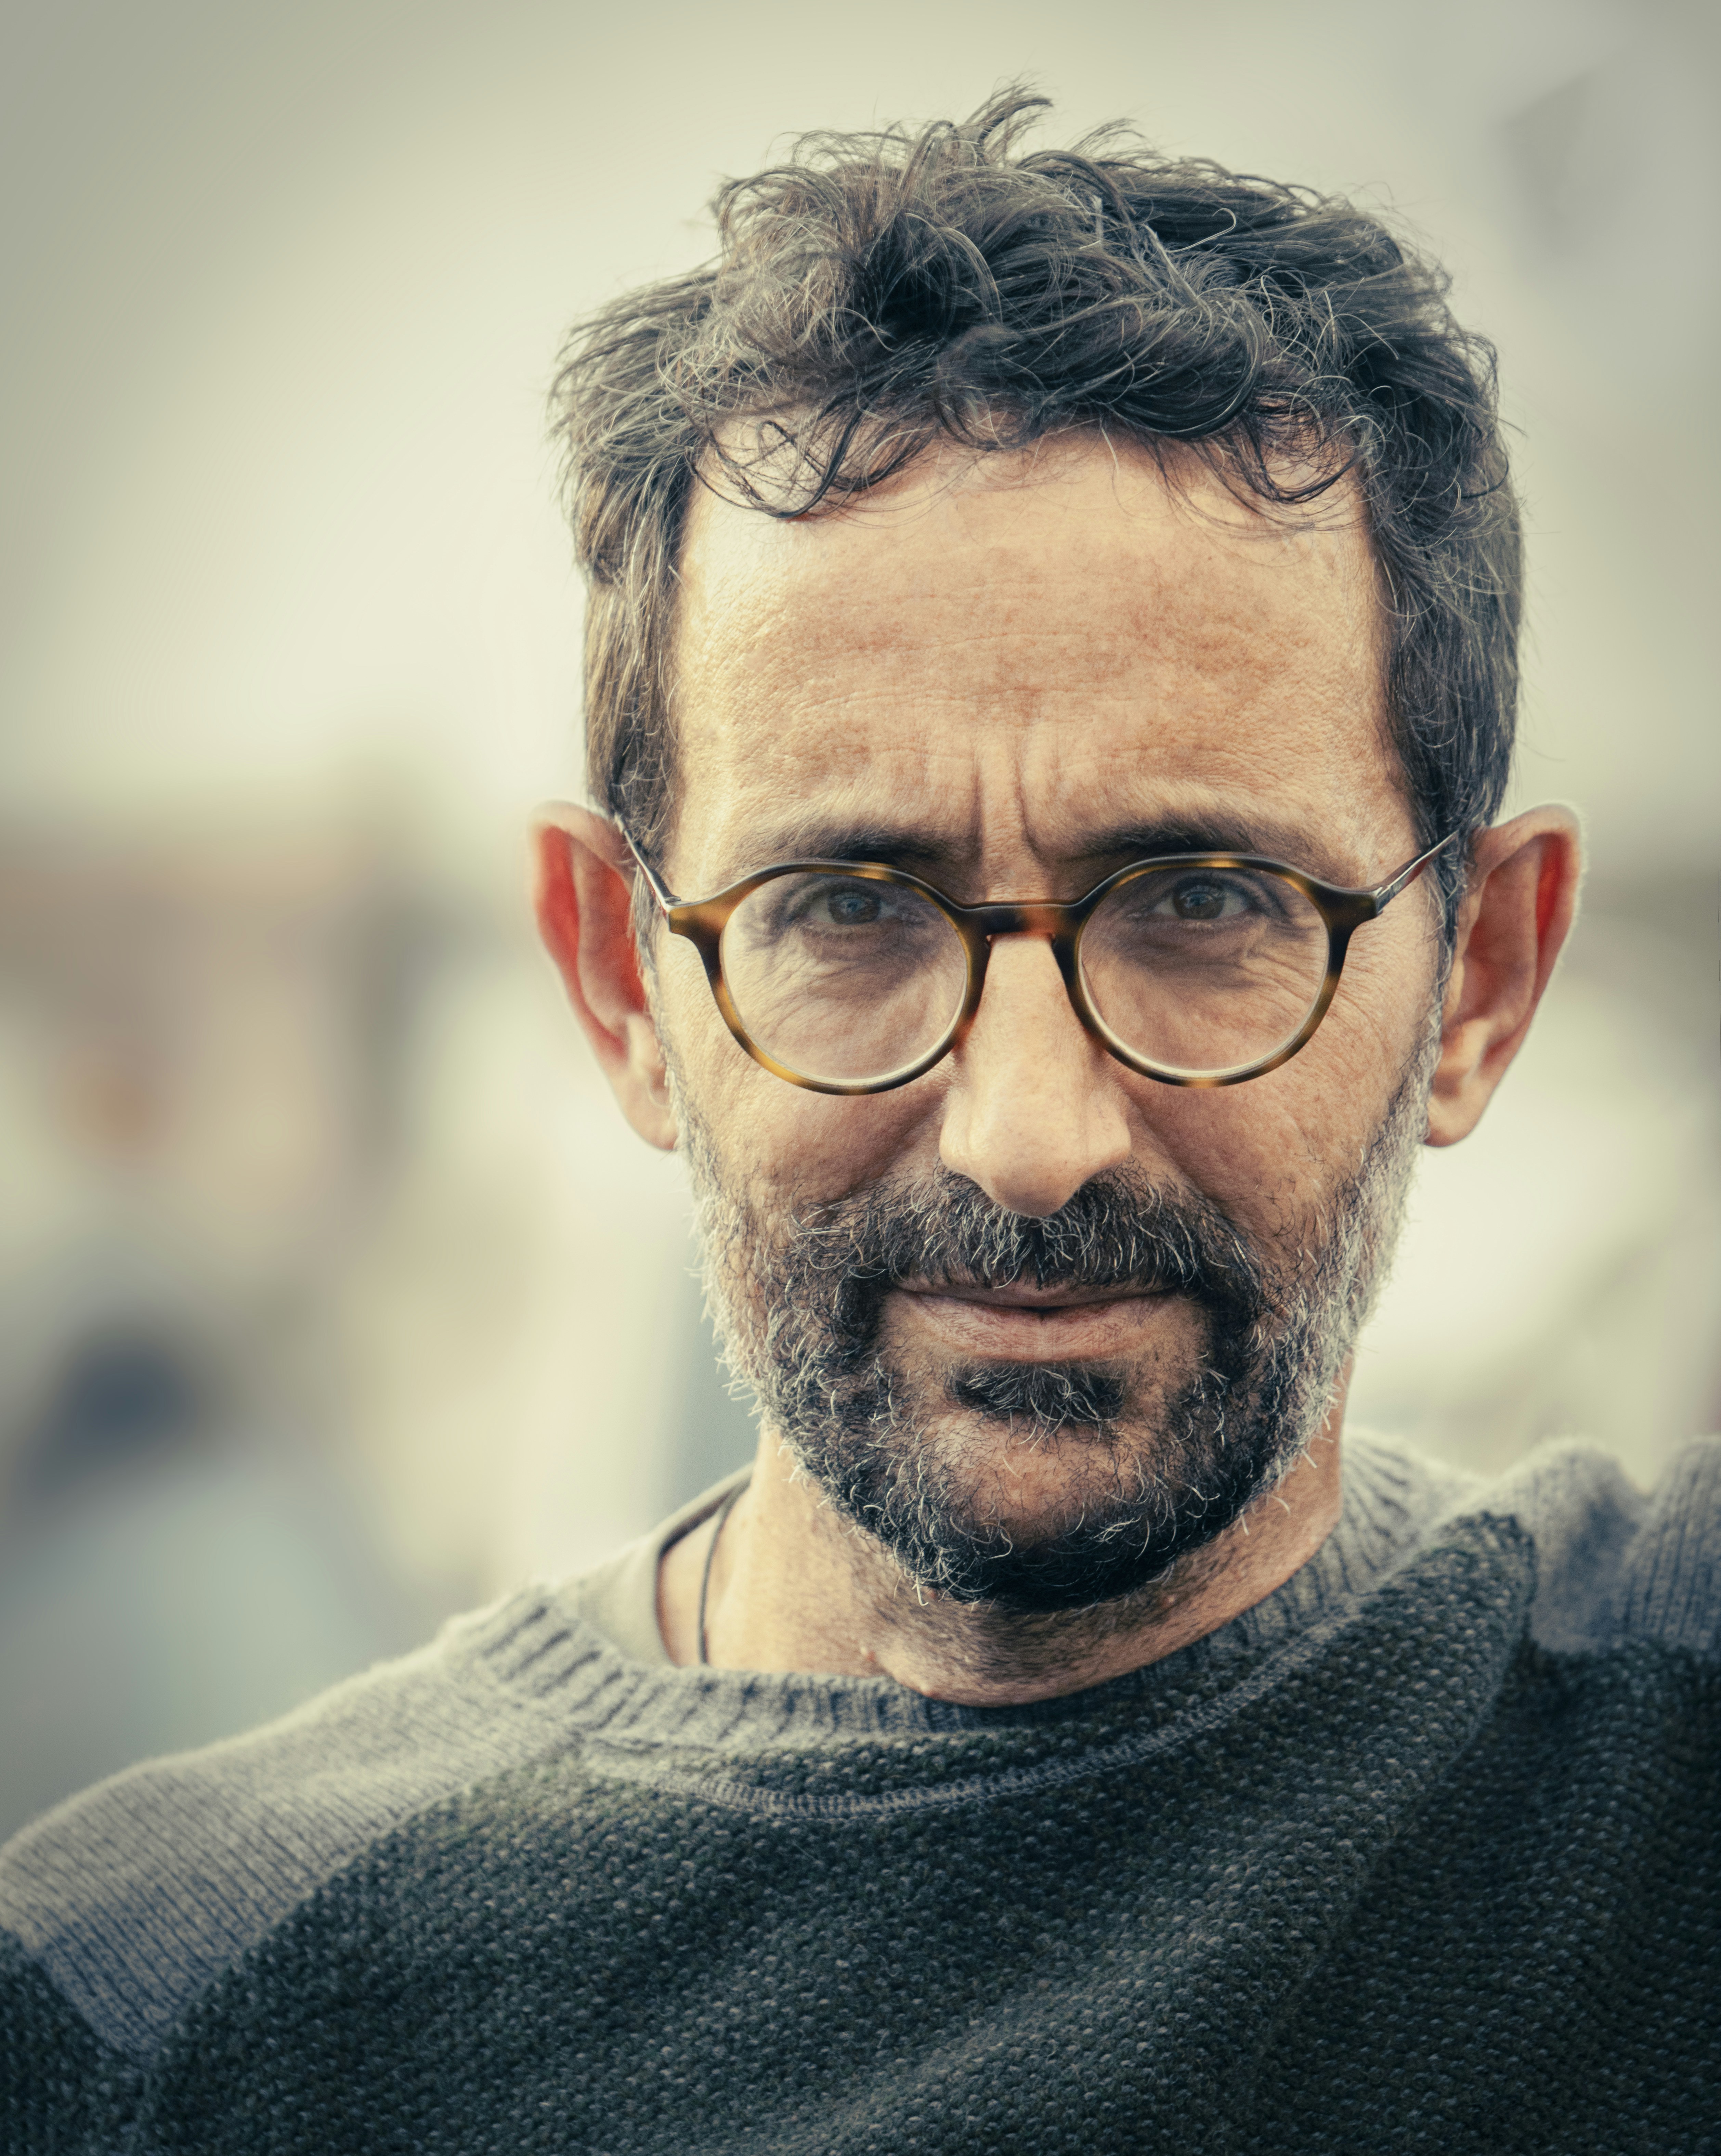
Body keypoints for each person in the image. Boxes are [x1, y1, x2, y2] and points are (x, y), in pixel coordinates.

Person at [3, 93, 1715, 2155]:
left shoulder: (1665, 1765)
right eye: (847, 912)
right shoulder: (151, 2027)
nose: (1022, 1136)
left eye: (1203, 904)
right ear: (621, 981)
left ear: (1486, 979)